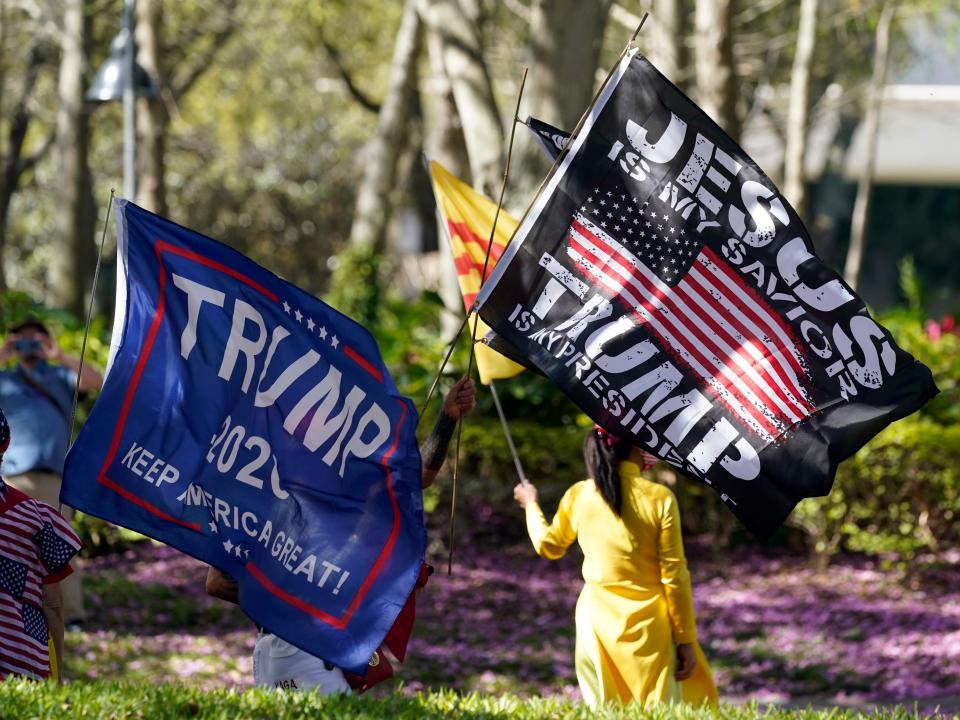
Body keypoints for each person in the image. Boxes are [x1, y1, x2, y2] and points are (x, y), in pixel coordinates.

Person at [206, 375, 476, 693]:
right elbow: (217, 582)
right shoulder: (267, 493)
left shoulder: (329, 484)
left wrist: (447, 418)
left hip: (288, 652)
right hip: (301, 652)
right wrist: (305, 595)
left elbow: (418, 477)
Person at [512, 425, 718, 708]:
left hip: (596, 622)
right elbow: (675, 576)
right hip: (651, 627)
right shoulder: (659, 498)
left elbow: (549, 545)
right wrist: (685, 639)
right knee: (659, 712)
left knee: (605, 710)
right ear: (636, 449)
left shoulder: (579, 495)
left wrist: (531, 505)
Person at [0, 317, 102, 630]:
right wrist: (4, 356)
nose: (29, 344)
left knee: (60, 550)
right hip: (9, 480)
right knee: (7, 548)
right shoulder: (4, 379)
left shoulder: (59, 375)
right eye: (22, 339)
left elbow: (95, 382)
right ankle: (10, 615)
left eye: (36, 339)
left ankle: (71, 616)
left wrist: (58, 355)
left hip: (54, 480)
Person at [0, 406, 83, 682]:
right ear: (7, 444)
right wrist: (57, 674)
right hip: (22, 667)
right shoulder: (37, 517)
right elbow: (53, 604)